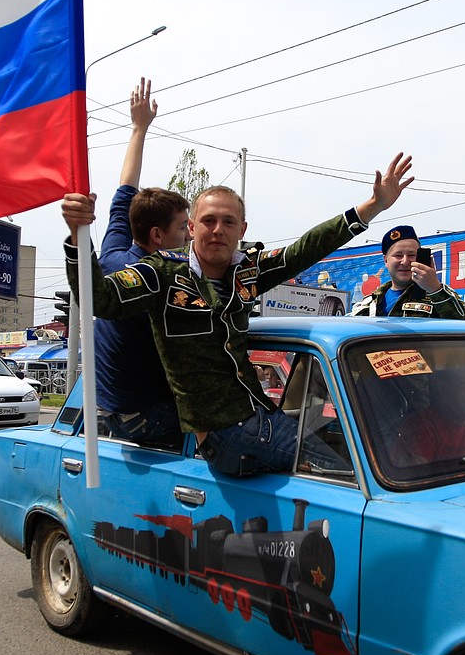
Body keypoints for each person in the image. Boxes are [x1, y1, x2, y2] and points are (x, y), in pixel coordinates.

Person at [62, 153, 414, 476]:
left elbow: (303, 250)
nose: (218, 230)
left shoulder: (247, 270)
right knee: (356, 469)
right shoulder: (161, 273)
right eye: (208, 220)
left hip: (259, 416)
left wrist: (372, 207)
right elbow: (101, 300)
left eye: (228, 222)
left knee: (375, 437)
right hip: (225, 433)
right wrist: (78, 239)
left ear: (241, 230)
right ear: (192, 228)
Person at [63, 77, 190, 445]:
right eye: (183, 227)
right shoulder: (153, 284)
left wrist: (138, 128)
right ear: (156, 236)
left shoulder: (114, 250)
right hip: (141, 417)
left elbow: (125, 188)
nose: (188, 235)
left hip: (107, 409)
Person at [350, 225, 465, 319]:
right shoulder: (369, 304)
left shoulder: (438, 295)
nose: (405, 261)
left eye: (411, 255)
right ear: (386, 260)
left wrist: (435, 290)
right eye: (398, 255)